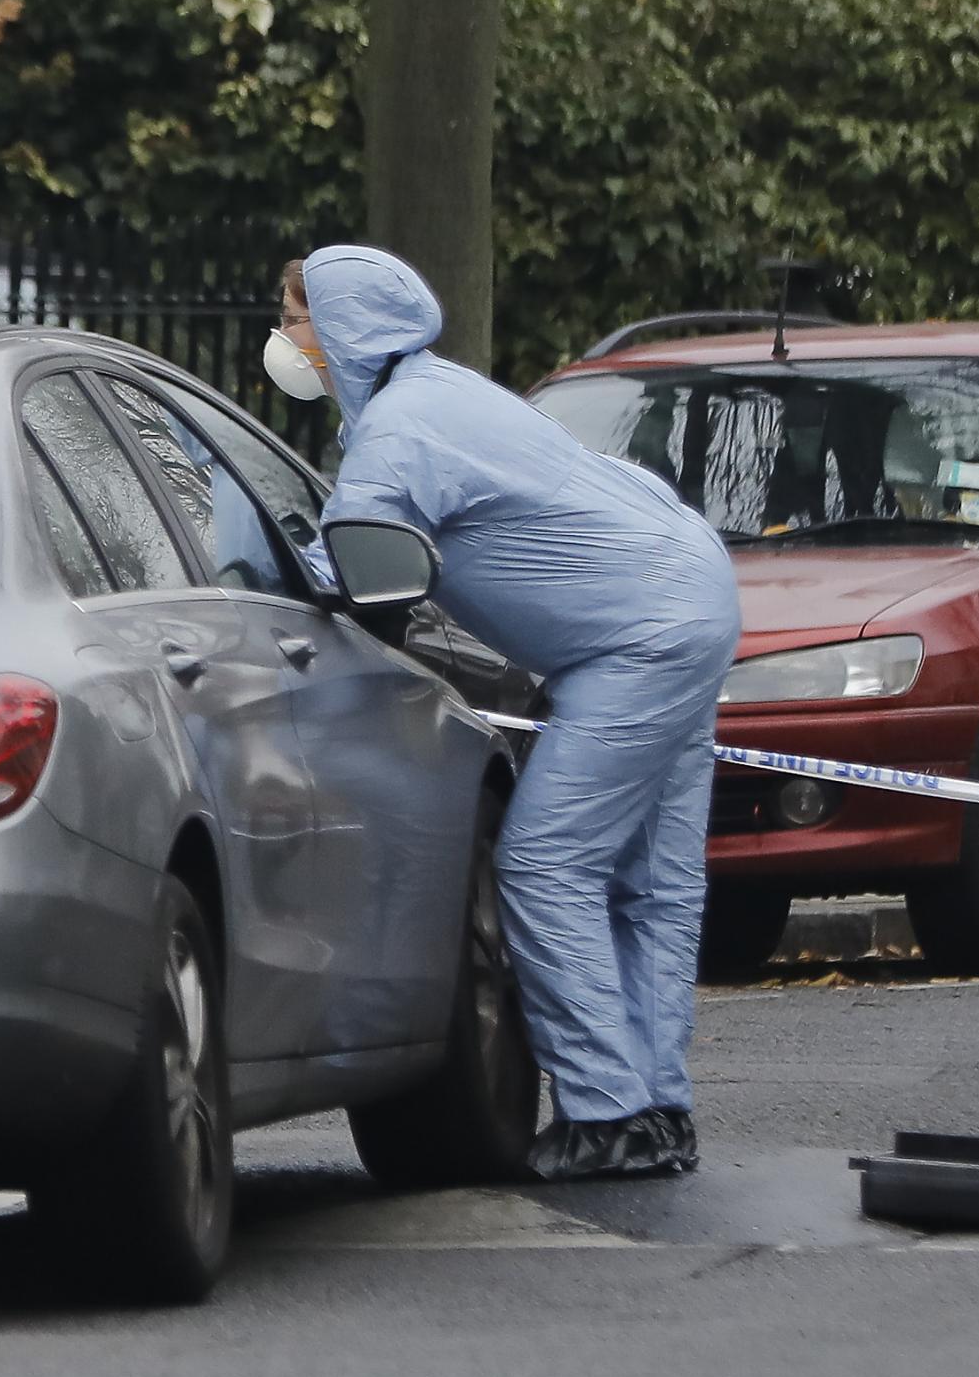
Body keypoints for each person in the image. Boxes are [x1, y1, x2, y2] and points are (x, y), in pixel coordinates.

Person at [267, 245, 741, 1181]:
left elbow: (354, 570)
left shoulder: (399, 430)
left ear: (347, 326)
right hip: (688, 592)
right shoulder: (441, 392)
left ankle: (606, 1110)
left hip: (630, 640)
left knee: (545, 862)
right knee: (653, 882)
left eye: (296, 316)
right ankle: (657, 1108)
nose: (285, 337)